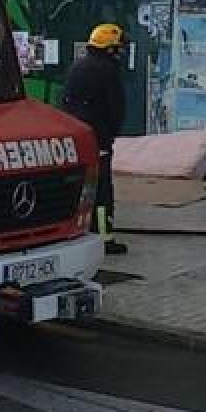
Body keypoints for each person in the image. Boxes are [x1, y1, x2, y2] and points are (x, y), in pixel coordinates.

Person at [61, 23, 128, 255]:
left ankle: (80, 231)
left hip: (76, 138)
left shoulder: (78, 66)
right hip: (98, 139)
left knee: (80, 186)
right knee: (101, 189)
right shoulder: (107, 70)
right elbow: (115, 108)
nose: (120, 52)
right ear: (110, 49)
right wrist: (109, 134)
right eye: (118, 47)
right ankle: (105, 237)